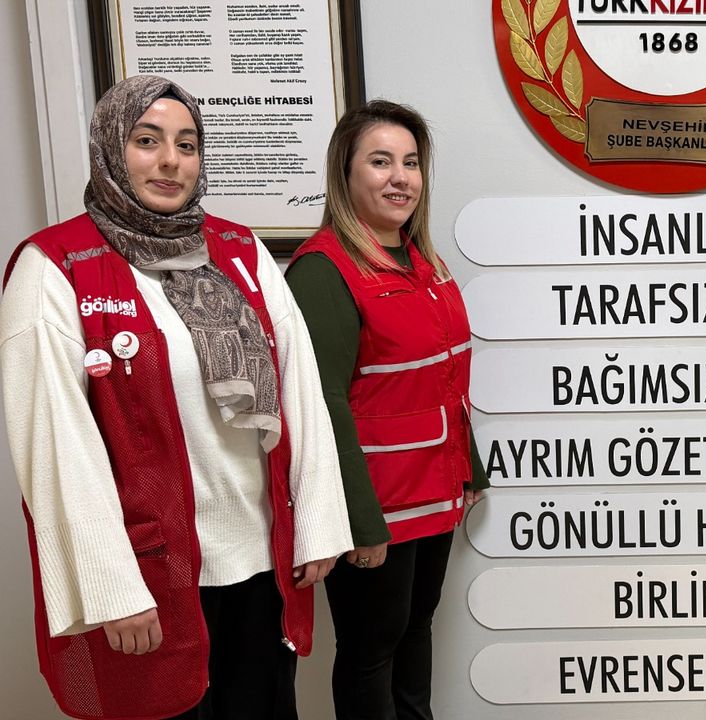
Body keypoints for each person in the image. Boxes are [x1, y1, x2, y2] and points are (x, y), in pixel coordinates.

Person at [0, 75, 353, 720]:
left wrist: (318, 525)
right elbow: (55, 449)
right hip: (150, 573)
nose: (170, 161)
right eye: (147, 141)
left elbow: (301, 389)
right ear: (111, 148)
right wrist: (112, 588)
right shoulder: (55, 267)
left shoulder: (239, 250)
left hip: (259, 562)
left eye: (187, 145)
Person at [286, 100, 488, 720]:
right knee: (371, 650)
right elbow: (322, 405)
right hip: (378, 503)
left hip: (433, 491)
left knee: (415, 631)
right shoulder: (324, 271)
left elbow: (443, 379)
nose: (400, 177)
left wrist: (470, 469)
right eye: (380, 162)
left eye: (411, 162)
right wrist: (359, 521)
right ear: (345, 175)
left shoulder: (422, 262)